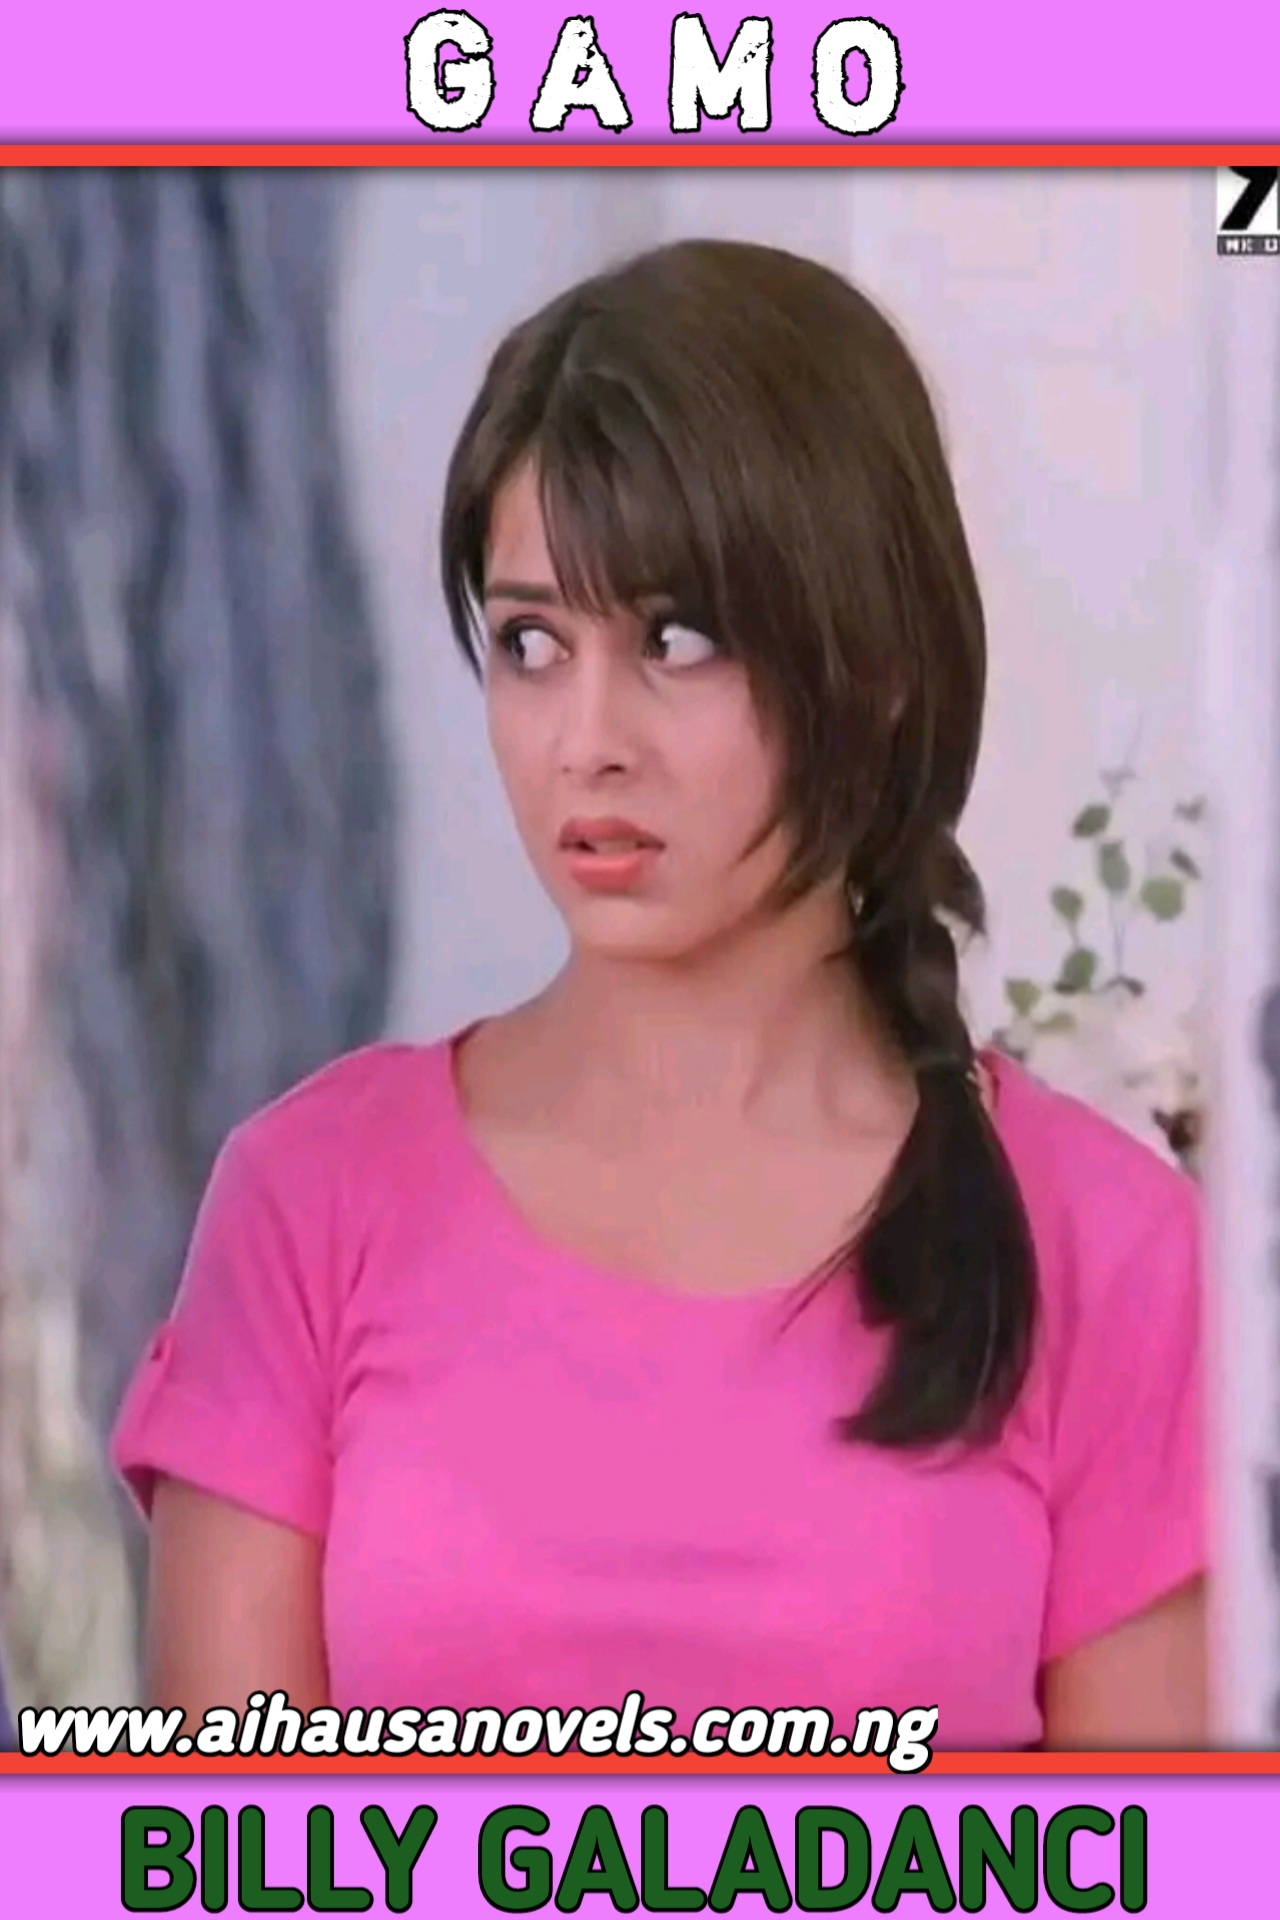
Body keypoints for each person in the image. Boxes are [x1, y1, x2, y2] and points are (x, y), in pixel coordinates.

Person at [112, 239, 1205, 1751]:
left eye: (675, 640)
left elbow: (1157, 1853)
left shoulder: (1108, 1248)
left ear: (877, 661)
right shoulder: (308, 1203)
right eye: (531, 644)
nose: (587, 741)